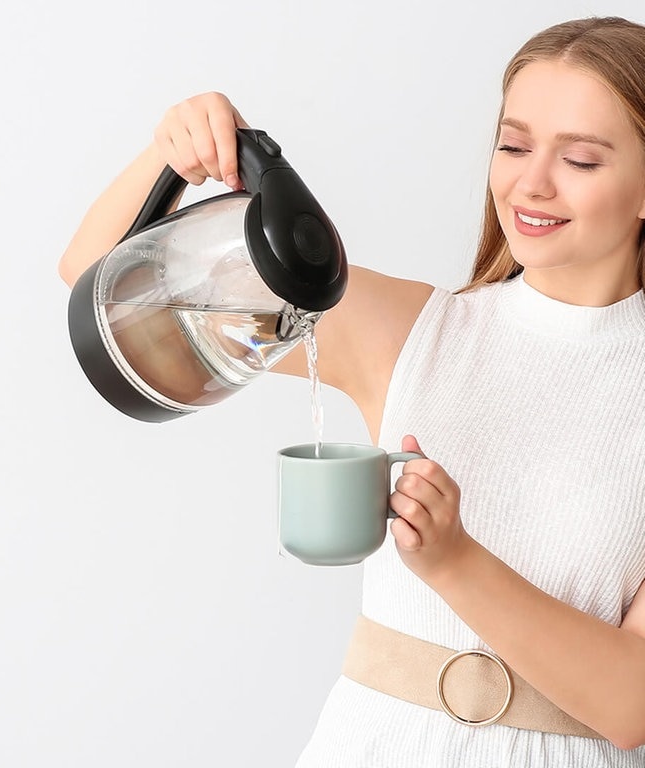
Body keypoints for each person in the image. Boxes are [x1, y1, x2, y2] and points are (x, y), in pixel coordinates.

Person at [58, 16, 645, 767]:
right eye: (514, 145)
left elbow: (632, 704)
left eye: (582, 160)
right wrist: (172, 151)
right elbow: (97, 278)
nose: (531, 182)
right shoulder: (412, 331)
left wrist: (454, 562)